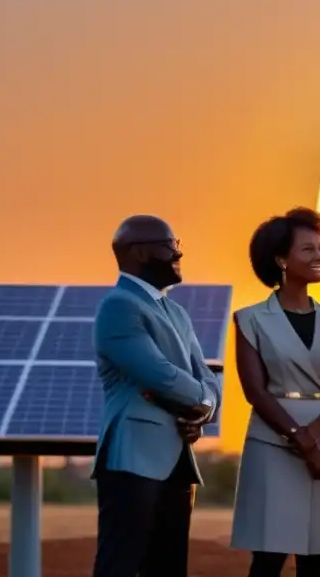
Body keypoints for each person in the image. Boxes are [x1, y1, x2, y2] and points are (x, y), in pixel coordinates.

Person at [230, 207, 320, 577]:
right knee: (269, 554)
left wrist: (314, 435)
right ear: (281, 260)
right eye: (308, 250)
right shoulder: (250, 319)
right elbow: (255, 391)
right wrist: (302, 441)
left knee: (316, 554)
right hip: (273, 442)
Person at [91, 214, 222, 577]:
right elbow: (159, 375)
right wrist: (204, 400)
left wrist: (205, 407)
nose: (178, 252)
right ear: (138, 252)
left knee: (168, 567)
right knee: (121, 564)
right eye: (169, 245)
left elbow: (205, 374)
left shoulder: (177, 312)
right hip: (134, 455)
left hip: (178, 458)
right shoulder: (118, 307)